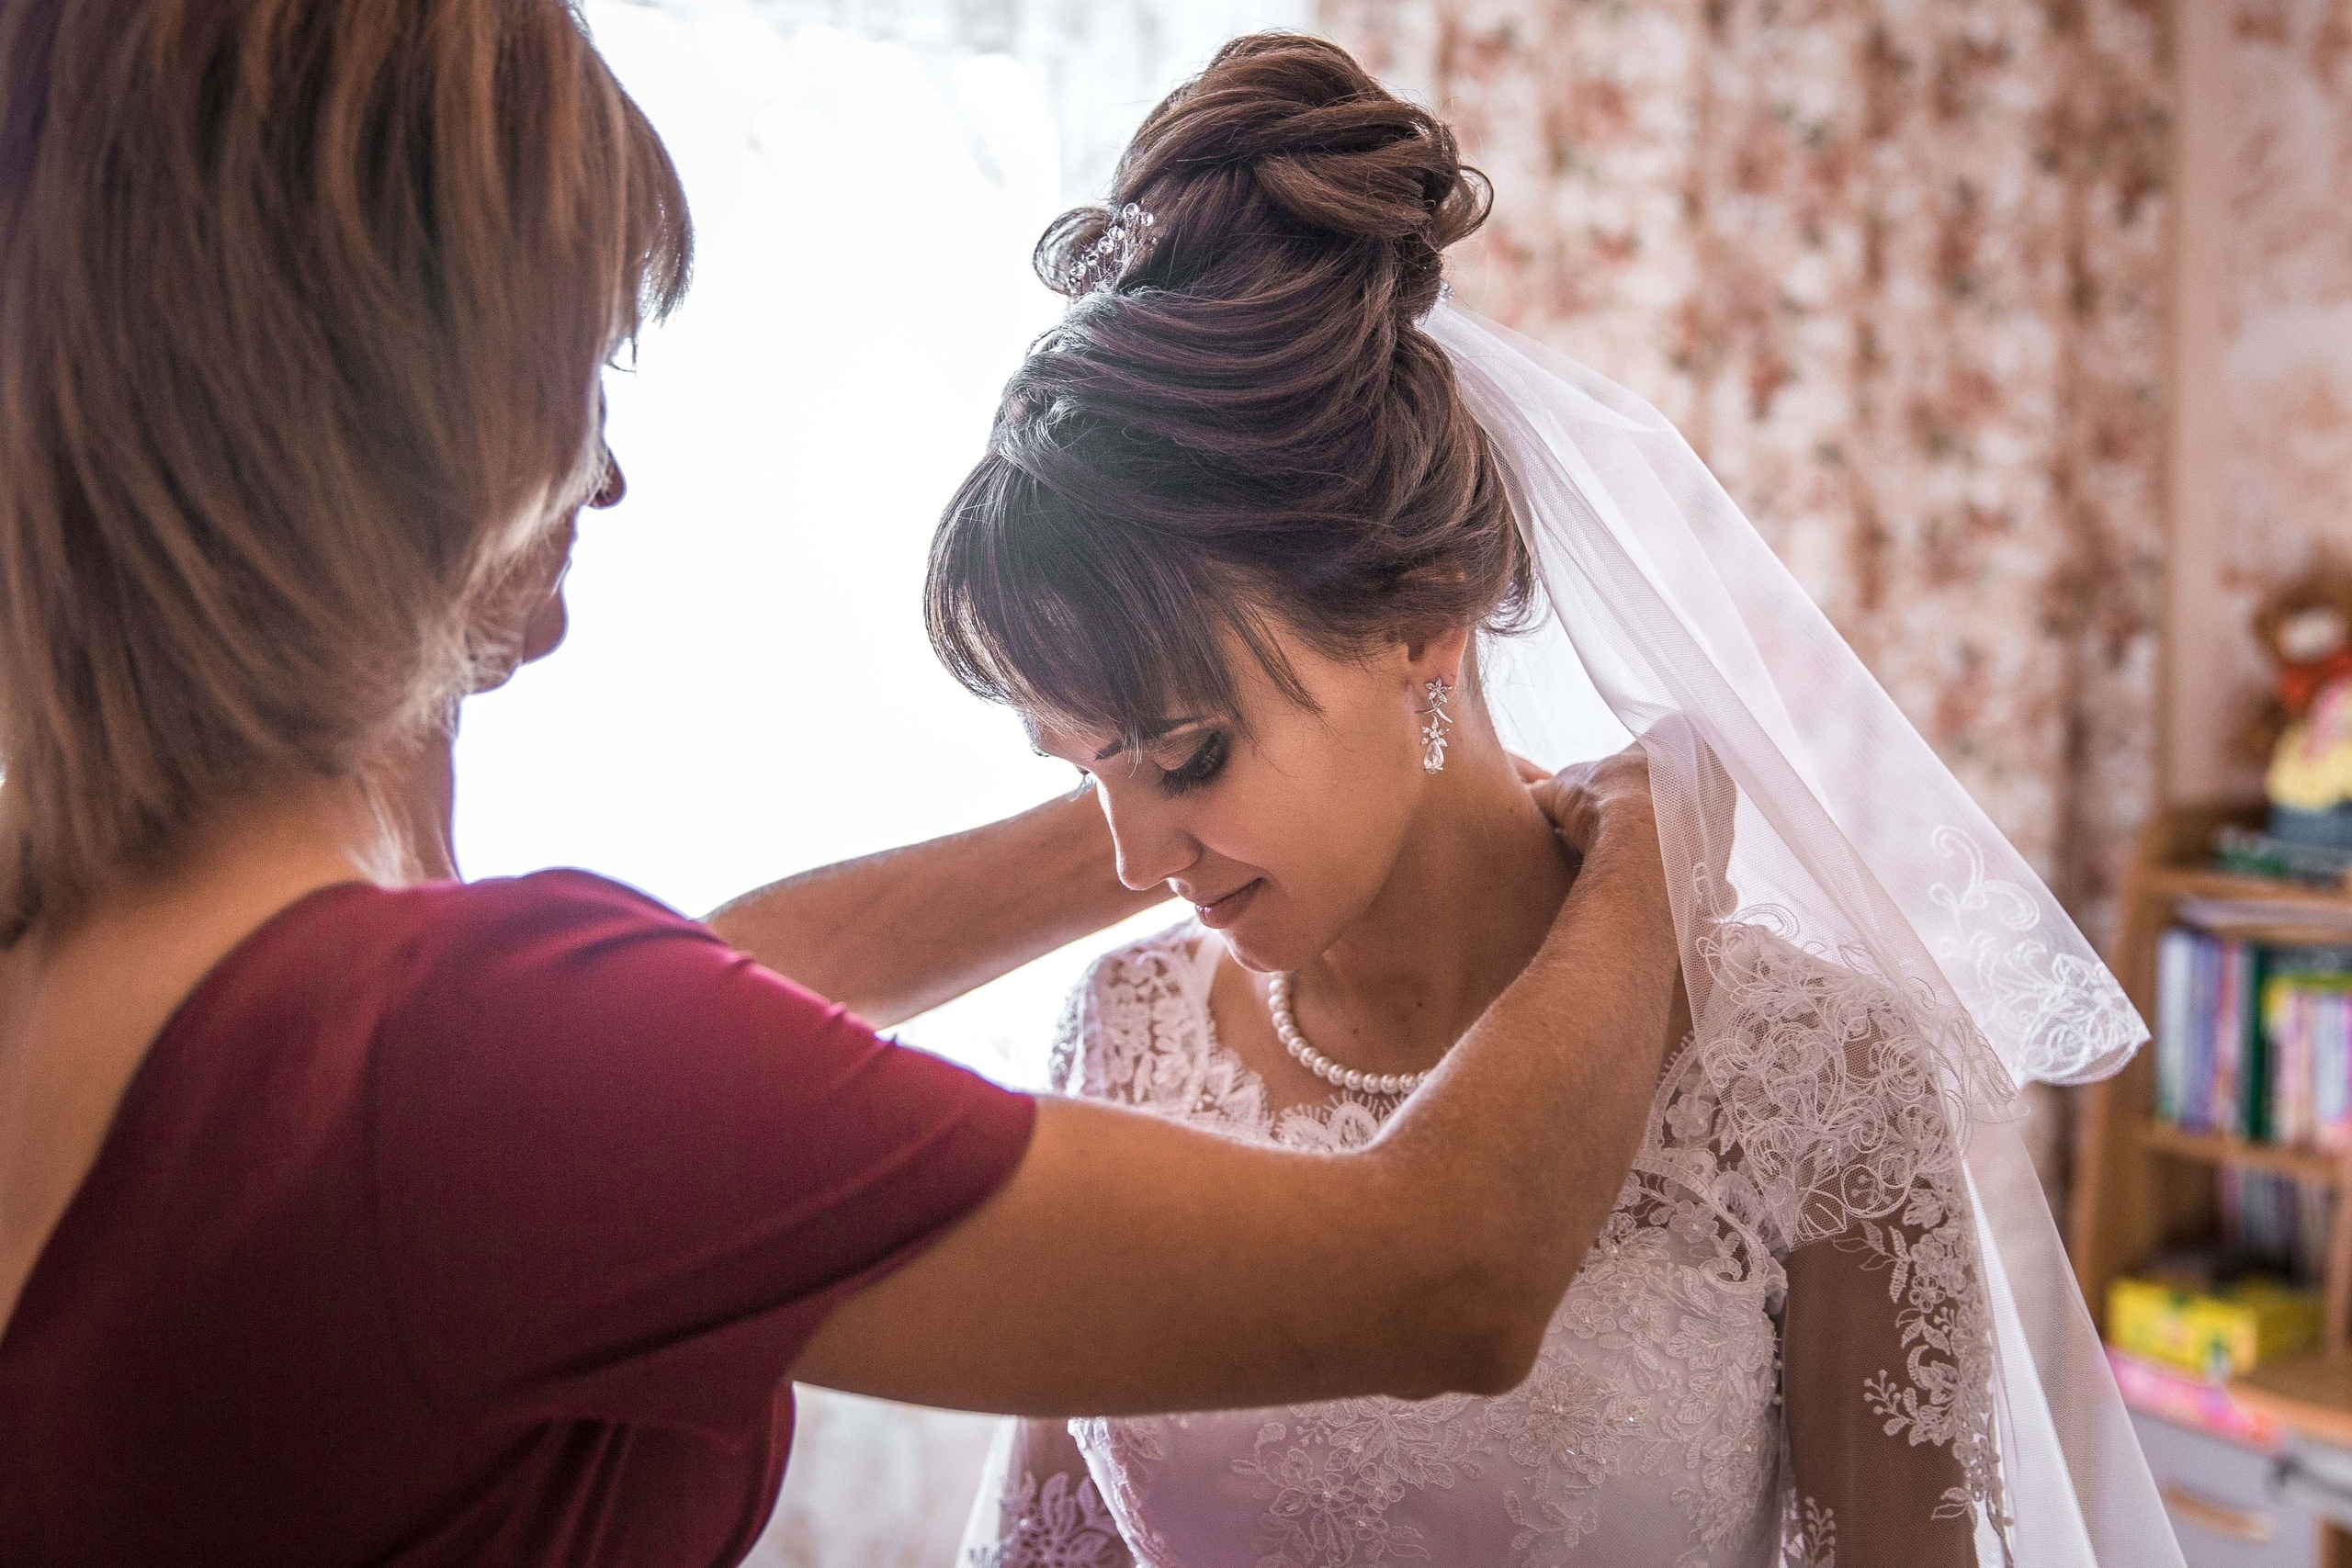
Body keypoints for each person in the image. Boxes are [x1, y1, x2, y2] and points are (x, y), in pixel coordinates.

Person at [0, 5, 1697, 1565]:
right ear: (405, 401)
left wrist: (1195, 791)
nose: (607, 470)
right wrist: (1649, 837)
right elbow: (1451, 1276)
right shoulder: (449, 1059)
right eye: (585, 360)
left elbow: (704, 994)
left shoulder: (92, 969)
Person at [939, 34, 2184, 1568]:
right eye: (1086, 766)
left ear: (1425, 617)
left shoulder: (1811, 1077)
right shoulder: (1123, 1031)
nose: (1134, 858)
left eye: (1187, 753)